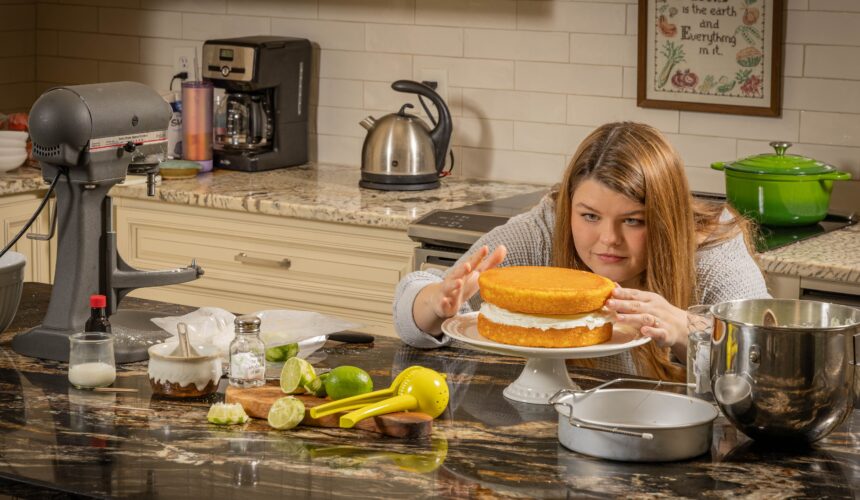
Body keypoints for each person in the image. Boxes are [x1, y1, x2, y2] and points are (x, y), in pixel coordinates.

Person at [393, 121, 770, 381]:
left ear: (667, 218)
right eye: (590, 216)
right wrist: (435, 303)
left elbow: (769, 362)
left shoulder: (713, 254)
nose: (608, 239)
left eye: (634, 221)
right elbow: (414, 314)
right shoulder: (544, 231)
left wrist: (690, 332)